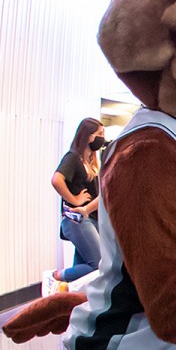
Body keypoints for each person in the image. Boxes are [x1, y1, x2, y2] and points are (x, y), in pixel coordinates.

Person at [51, 118, 106, 286]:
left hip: (90, 219)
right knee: (98, 264)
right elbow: (56, 180)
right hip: (78, 220)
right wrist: (74, 199)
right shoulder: (73, 158)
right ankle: (56, 276)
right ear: (88, 136)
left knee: (84, 270)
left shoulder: (91, 162)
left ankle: (66, 292)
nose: (102, 138)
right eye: (99, 134)